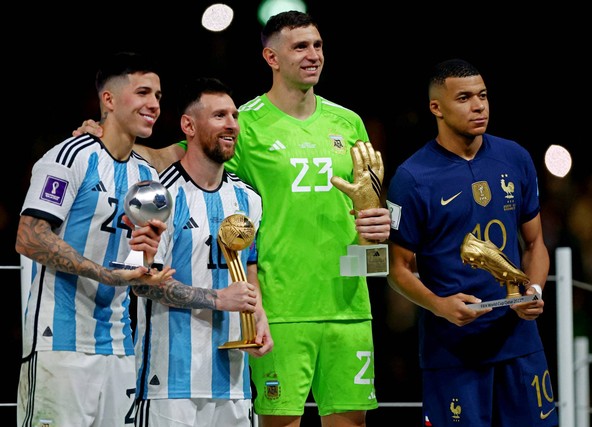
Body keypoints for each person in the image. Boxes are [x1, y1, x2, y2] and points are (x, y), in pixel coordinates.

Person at [73, 11, 390, 427]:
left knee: (352, 422)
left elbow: (371, 200)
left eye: (318, 45)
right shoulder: (248, 123)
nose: (313, 55)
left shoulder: (348, 122)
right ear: (271, 57)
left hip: (349, 303)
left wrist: (380, 223)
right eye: (300, 47)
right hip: (279, 305)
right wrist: (110, 135)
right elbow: (186, 155)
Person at [386, 58, 558, 427]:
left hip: (519, 342)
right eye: (464, 97)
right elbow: (396, 269)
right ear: (437, 108)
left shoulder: (515, 157)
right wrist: (439, 306)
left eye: (482, 95)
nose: (478, 106)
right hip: (453, 350)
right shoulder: (411, 178)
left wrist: (534, 290)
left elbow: (535, 244)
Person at [16, 51, 173, 427]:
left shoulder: (146, 174)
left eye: (159, 96)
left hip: (120, 347)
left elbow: (140, 261)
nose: (154, 104)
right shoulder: (71, 155)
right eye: (143, 93)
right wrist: (106, 274)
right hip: (60, 344)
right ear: (109, 99)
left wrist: (146, 271)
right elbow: (29, 237)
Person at [132, 76, 273, 426]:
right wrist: (217, 299)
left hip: (234, 382)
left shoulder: (248, 200)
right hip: (168, 382)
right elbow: (141, 282)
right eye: (220, 116)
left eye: (235, 116)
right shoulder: (157, 197)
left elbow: (247, 267)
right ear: (188, 126)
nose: (232, 125)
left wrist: (259, 317)